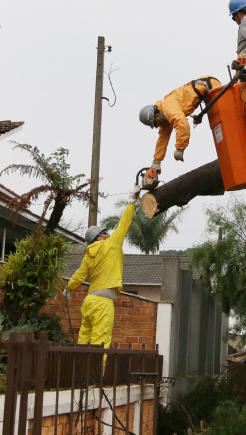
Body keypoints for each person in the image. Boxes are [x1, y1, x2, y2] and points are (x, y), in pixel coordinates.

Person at [65, 186, 140, 348]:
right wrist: (132, 201)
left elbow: (79, 275)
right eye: (105, 232)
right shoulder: (111, 245)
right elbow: (124, 223)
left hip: (89, 301)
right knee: (101, 342)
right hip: (102, 303)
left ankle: (81, 370)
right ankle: (99, 372)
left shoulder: (89, 253)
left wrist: (69, 288)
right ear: (99, 237)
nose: (108, 234)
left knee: (84, 339)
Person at [138, 75, 222, 170]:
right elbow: (162, 140)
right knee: (221, 121)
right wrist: (156, 162)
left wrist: (180, 147)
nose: (157, 127)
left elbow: (182, 124)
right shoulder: (166, 118)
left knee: (225, 119)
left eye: (155, 124)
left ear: (156, 116)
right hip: (206, 91)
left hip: (211, 85)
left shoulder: (167, 107)